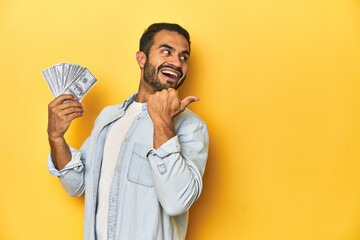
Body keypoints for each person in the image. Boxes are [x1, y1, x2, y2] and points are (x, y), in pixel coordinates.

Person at [47, 23, 209, 240]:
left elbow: (176, 202)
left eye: (183, 57)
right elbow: (76, 185)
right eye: (166, 51)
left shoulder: (190, 127)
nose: (177, 62)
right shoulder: (109, 117)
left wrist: (162, 122)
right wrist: (56, 137)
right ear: (141, 59)